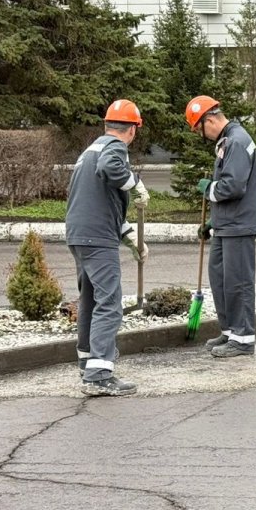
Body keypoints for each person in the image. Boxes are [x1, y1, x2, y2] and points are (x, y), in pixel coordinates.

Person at [65, 99, 150, 397]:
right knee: (110, 302)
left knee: (89, 299)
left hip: (80, 234)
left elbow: (102, 202)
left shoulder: (90, 150)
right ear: (133, 129)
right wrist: (135, 183)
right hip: (97, 238)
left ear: (107, 124)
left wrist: (132, 240)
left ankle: (88, 362)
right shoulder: (114, 149)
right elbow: (111, 168)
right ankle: (100, 375)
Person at [186, 95, 256, 357]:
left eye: (199, 129)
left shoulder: (238, 141)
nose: (202, 135)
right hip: (226, 225)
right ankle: (231, 331)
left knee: (238, 282)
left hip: (239, 225)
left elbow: (233, 186)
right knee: (220, 279)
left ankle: (243, 339)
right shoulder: (227, 141)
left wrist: (208, 188)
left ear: (209, 120)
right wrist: (212, 222)